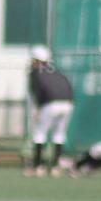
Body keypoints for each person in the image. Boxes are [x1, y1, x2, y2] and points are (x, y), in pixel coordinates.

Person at [26, 45, 74, 177]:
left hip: (50, 104)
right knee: (59, 134)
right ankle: (55, 167)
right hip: (68, 104)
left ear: (36, 60)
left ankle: (38, 166)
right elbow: (68, 87)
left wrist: (37, 109)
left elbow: (38, 92)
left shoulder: (35, 73)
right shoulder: (57, 71)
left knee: (39, 133)